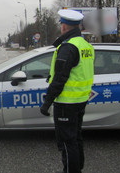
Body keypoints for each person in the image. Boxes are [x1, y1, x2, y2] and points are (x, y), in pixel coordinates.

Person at [40, 9, 94, 173]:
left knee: (66, 142)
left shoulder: (68, 47)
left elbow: (59, 79)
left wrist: (47, 102)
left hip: (66, 103)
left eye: (61, 23)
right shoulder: (86, 45)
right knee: (75, 139)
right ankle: (77, 168)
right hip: (80, 100)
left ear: (64, 26)